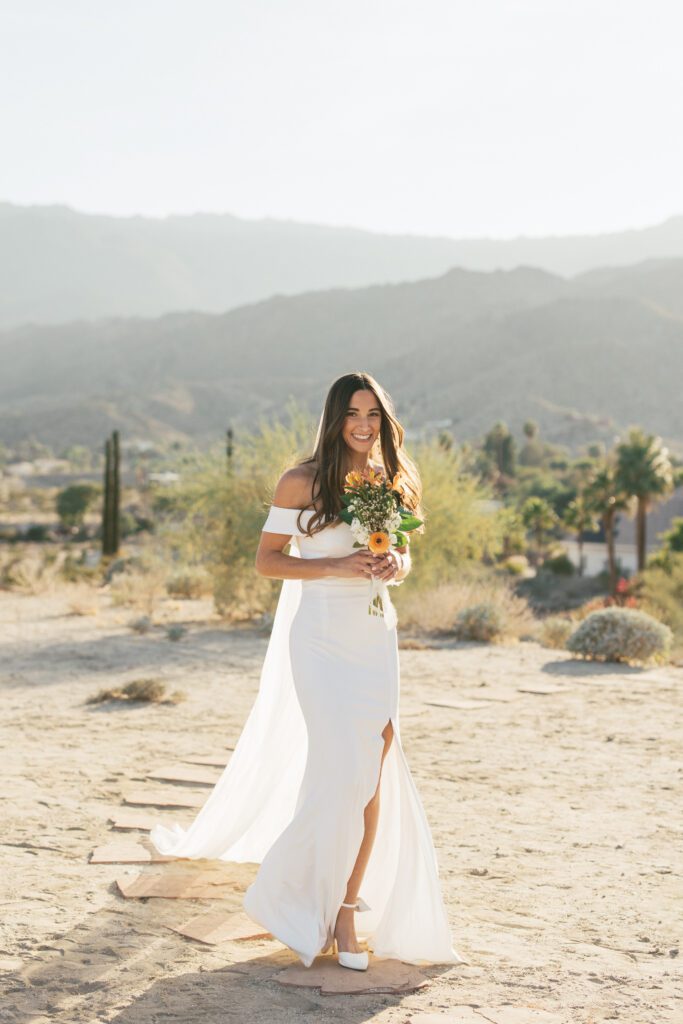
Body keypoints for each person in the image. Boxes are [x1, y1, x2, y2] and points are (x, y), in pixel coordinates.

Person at [151, 371, 465, 971]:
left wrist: (393, 562)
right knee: (338, 770)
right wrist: (340, 568)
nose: (364, 425)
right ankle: (292, 896)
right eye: (353, 413)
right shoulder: (301, 481)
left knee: (374, 768)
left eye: (373, 414)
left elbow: (401, 552)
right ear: (335, 417)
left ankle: (347, 908)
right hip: (320, 637)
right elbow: (268, 562)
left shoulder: (393, 478)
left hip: (375, 634)